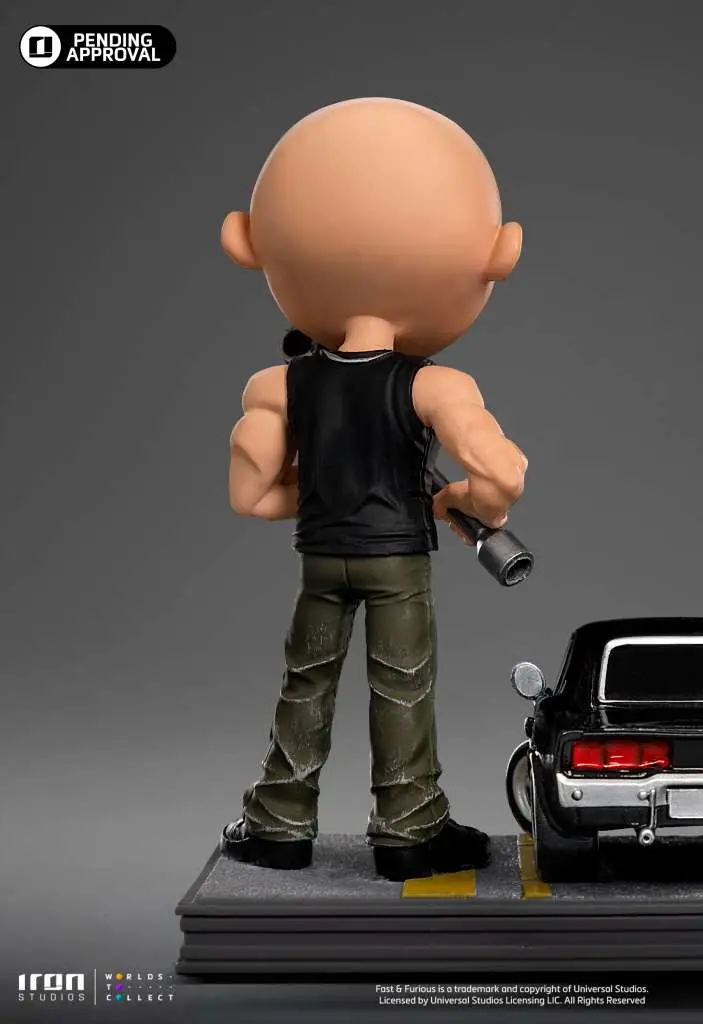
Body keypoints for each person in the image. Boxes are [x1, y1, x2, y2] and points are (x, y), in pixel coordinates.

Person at [216, 98, 527, 881]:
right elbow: (503, 474)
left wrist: (326, 492)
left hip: (321, 557)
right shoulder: (436, 386)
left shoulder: (279, 384)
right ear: (496, 254)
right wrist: (465, 503)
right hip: (396, 563)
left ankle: (278, 824)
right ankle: (408, 829)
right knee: (402, 688)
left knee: (306, 682)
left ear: (247, 242)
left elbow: (251, 497)